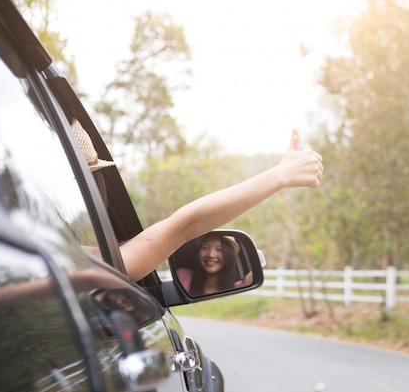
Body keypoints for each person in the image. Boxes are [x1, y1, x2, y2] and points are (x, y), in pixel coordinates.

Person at [73, 119, 324, 281]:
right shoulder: (60, 261)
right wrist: (281, 175)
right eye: (90, 181)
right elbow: (184, 227)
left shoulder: (65, 256)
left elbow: (178, 229)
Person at [176, 233, 250, 296]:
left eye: (219, 249)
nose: (211, 255)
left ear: (228, 255)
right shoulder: (182, 276)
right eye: (205, 247)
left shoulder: (238, 288)